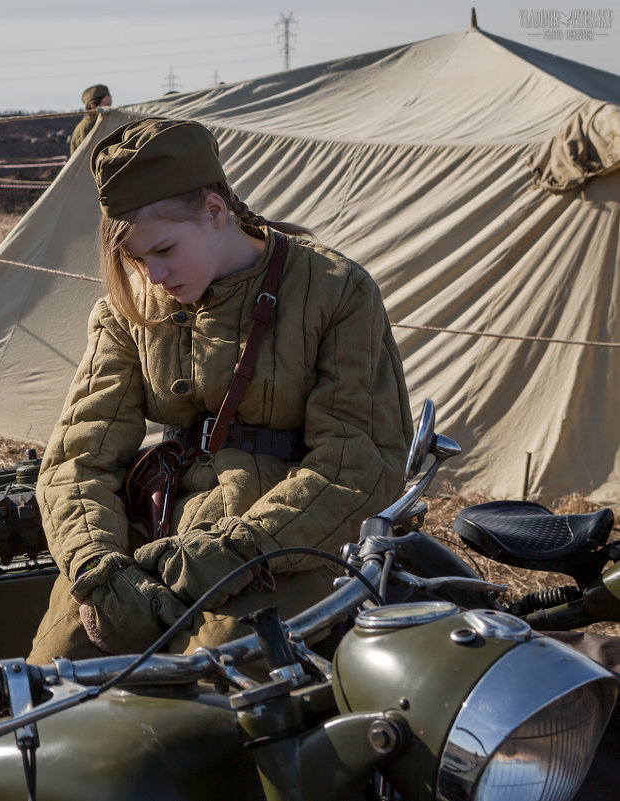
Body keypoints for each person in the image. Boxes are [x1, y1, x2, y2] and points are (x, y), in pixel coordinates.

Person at [28, 117, 413, 663]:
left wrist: (238, 550)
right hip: (151, 535)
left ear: (215, 212)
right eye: (136, 260)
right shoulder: (130, 307)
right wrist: (98, 568)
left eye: (164, 249)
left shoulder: (334, 290)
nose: (153, 276)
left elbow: (358, 462)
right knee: (57, 671)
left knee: (216, 676)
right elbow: (77, 458)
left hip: (286, 541)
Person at [69, 84, 112, 155]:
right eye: (106, 106)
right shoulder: (85, 128)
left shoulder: (103, 123)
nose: (109, 110)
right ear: (93, 106)